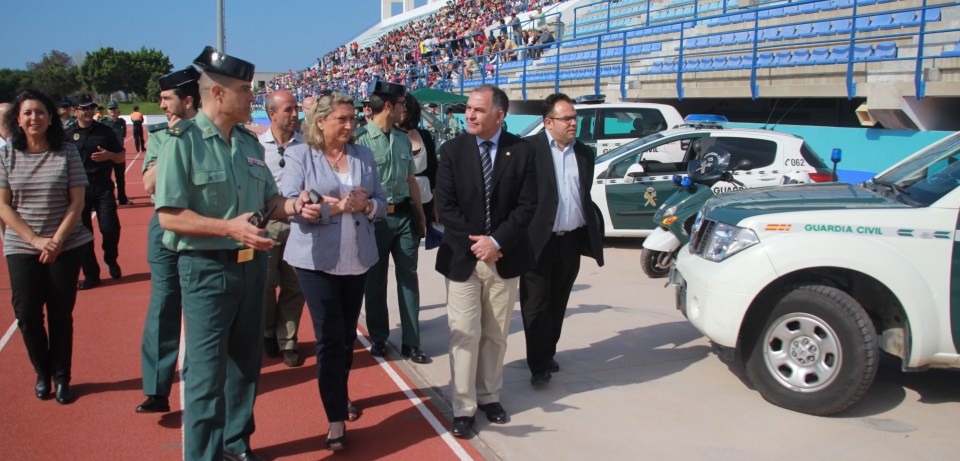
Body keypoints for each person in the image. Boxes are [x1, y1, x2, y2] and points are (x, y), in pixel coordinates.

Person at [153, 46, 320, 461]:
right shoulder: (182, 142)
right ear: (218, 94)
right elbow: (170, 216)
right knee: (206, 377)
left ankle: (236, 445)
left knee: (246, 368)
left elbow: (269, 202)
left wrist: (296, 205)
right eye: (246, 90)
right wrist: (229, 227)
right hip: (206, 270)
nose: (252, 98)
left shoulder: (247, 143)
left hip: (251, 269)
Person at [282, 91, 387, 451]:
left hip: (356, 259)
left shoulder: (364, 154)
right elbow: (292, 203)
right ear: (320, 121)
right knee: (328, 337)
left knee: (345, 338)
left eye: (352, 118)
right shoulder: (299, 155)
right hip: (314, 261)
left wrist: (367, 204)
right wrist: (336, 208)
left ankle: (339, 394)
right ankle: (335, 417)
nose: (349, 124)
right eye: (341, 119)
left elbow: (382, 203)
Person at [434, 84, 537, 438]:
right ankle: (463, 407)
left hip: (503, 257)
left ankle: (490, 396)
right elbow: (445, 206)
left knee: (495, 334)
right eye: (469, 108)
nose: (470, 115)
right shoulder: (451, 151)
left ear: (499, 115)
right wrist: (478, 244)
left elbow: (528, 206)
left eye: (478, 110)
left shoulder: (522, 152)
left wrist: (496, 242)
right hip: (462, 258)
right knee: (464, 332)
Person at [0, 89, 93, 405]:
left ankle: (62, 376)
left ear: (50, 117)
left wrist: (56, 241)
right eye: (27, 113)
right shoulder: (6, 156)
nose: (33, 118)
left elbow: (77, 201)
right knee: (26, 314)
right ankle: (42, 371)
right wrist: (34, 240)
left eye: (40, 112)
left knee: (60, 314)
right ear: (18, 119)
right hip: (22, 245)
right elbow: (3, 206)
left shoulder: (66, 152)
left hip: (66, 245)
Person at [520, 93, 604, 387]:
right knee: (536, 305)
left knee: (558, 303)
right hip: (537, 243)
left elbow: (582, 194)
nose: (573, 123)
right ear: (548, 122)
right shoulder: (527, 150)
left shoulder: (584, 153)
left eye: (574, 117)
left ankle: (548, 352)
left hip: (570, 241)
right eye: (566, 118)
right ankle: (538, 364)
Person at [136, 66, 201, 415]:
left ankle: (196, 381)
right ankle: (157, 388)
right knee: (163, 306)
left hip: (201, 228)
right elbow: (148, 184)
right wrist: (177, 138)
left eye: (166, 98)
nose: (161, 105)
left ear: (187, 100)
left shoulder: (210, 134)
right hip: (165, 229)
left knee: (200, 309)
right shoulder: (163, 136)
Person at [355, 81, 428, 363]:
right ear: (388, 106)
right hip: (375, 221)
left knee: (409, 279)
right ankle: (379, 337)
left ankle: (412, 342)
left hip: (405, 217)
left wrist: (420, 217)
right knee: (376, 281)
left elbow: (411, 180)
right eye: (401, 104)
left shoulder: (401, 138)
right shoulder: (360, 139)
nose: (404, 110)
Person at [260, 90, 306, 367]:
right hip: (267, 223)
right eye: (288, 110)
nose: (294, 115)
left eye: (296, 109)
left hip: (298, 224)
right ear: (272, 114)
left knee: (294, 286)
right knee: (264, 285)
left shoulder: (306, 146)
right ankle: (267, 330)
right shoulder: (256, 146)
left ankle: (288, 340)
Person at [64, 94, 125, 290]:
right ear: (76, 112)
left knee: (110, 228)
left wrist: (109, 155)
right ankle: (91, 275)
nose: (88, 111)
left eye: (90, 107)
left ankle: (110, 257)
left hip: (102, 187)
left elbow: (121, 156)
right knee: (84, 236)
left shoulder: (105, 132)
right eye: (83, 108)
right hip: (78, 191)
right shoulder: (67, 136)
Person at [398, 93, 438, 237]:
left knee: (416, 238)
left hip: (425, 196)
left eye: (405, 108)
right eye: (399, 107)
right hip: (401, 199)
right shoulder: (390, 135)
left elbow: (433, 170)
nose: (402, 111)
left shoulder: (424, 135)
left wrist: (436, 203)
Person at [102, 100, 131, 205]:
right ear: (108, 110)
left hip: (119, 152)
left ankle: (122, 198)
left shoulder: (121, 122)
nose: (113, 111)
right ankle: (109, 199)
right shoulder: (103, 122)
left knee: (120, 178)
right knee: (106, 177)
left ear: (117, 110)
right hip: (108, 153)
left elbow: (123, 135)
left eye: (114, 108)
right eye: (111, 109)